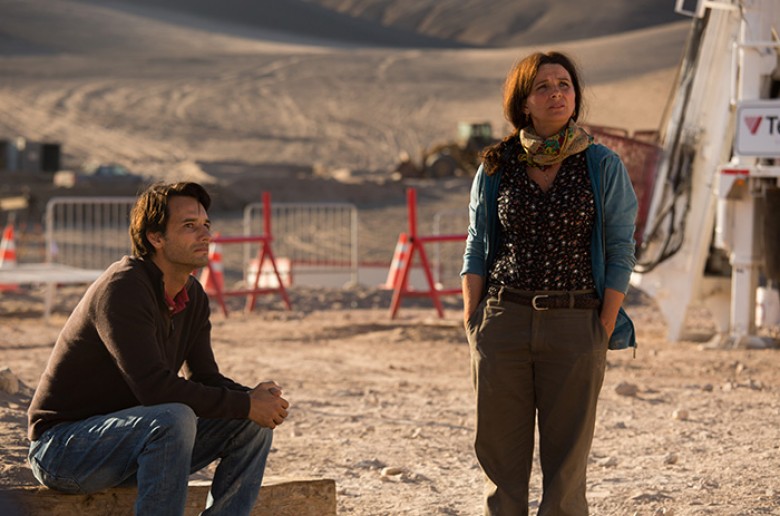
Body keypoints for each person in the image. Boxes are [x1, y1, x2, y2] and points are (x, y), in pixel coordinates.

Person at [27, 182, 290, 516]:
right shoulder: (123, 287)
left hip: (137, 444)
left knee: (250, 425)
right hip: (66, 451)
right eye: (189, 226)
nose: (205, 235)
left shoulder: (192, 295)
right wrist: (244, 403)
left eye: (206, 225)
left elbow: (206, 377)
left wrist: (256, 400)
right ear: (156, 237)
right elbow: (154, 388)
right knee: (174, 416)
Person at [461, 51, 638, 515]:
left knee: (567, 470)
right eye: (543, 86)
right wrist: (473, 318)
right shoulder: (498, 165)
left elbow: (621, 246)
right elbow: (477, 243)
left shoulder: (601, 165)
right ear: (524, 104)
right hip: (504, 321)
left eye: (564, 84)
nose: (556, 93)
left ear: (575, 98)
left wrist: (604, 320)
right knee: (500, 462)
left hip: (577, 323)